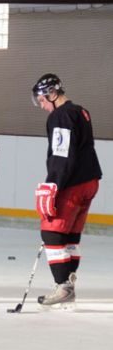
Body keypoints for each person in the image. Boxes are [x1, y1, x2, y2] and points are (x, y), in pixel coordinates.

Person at [31, 74, 102, 309]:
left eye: (42, 100)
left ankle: (63, 286)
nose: (41, 105)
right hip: (89, 181)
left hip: (71, 183)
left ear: (52, 94)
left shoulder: (60, 115)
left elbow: (62, 154)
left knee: (51, 233)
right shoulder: (81, 111)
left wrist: (53, 184)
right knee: (70, 236)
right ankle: (70, 284)